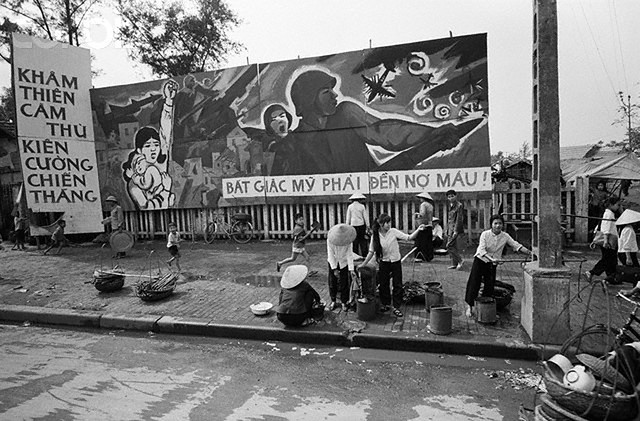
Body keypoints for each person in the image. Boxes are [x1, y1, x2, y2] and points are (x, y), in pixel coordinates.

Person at [285, 69, 485, 175]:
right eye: (326, 91)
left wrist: (433, 134)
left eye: (332, 89)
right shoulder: (293, 142)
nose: (335, 95)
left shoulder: (345, 112)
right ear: (308, 99)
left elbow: (385, 132)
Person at [122, 79, 177, 209]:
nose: (153, 149)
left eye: (155, 145)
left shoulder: (161, 160)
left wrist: (168, 101)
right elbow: (146, 207)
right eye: (148, 146)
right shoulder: (134, 184)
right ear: (139, 150)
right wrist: (166, 190)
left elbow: (165, 130)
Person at [358, 213, 426, 318]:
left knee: (397, 284)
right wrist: (363, 264)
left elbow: (408, 237)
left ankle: (396, 307)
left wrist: (418, 229)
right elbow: (371, 252)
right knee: (384, 285)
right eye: (386, 223)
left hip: (395, 261)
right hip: (384, 262)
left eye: (389, 222)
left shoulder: (393, 232)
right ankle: (385, 304)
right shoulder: (375, 236)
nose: (389, 225)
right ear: (380, 224)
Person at [464, 214, 531, 318]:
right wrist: (491, 259)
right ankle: (470, 307)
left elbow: (516, 245)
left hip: (492, 264)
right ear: (491, 225)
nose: (498, 226)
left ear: (502, 225)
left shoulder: (505, 236)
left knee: (489, 286)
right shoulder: (485, 234)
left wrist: (530, 253)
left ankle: (486, 309)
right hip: (481, 260)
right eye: (495, 223)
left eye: (500, 223)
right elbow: (481, 250)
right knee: (474, 283)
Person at [585, 197, 621, 284]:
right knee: (607, 259)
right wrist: (605, 240)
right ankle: (592, 272)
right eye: (617, 205)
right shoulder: (608, 214)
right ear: (611, 205)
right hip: (608, 239)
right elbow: (606, 228)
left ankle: (611, 277)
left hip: (610, 239)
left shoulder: (609, 213)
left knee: (612, 259)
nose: (618, 207)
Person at [326, 224, 357, 311]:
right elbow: (330, 255)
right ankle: (333, 300)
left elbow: (349, 255)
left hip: (344, 262)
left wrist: (351, 270)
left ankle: (344, 301)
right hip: (333, 261)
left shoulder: (348, 241)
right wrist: (334, 269)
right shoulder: (330, 240)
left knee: (344, 282)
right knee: (332, 282)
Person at [345, 192, 369, 258]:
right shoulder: (362, 206)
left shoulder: (350, 206)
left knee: (354, 241)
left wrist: (347, 225)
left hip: (353, 225)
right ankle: (365, 255)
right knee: (362, 241)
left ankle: (355, 255)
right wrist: (368, 225)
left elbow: (348, 217)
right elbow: (365, 217)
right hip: (361, 225)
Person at [445, 189, 465, 270]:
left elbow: (459, 219)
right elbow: (449, 219)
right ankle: (454, 263)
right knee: (452, 246)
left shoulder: (459, 205)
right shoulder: (450, 205)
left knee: (449, 246)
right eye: (449, 197)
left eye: (452, 196)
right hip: (450, 229)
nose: (451, 198)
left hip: (455, 229)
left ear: (456, 196)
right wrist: (447, 229)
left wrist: (456, 231)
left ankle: (460, 260)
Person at [414, 191, 434, 262]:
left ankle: (419, 256)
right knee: (428, 242)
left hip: (423, 225)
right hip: (430, 224)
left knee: (420, 241)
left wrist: (417, 214)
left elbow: (422, 214)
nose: (420, 199)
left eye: (421, 198)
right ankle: (428, 256)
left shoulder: (423, 204)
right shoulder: (431, 205)